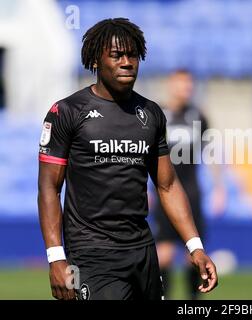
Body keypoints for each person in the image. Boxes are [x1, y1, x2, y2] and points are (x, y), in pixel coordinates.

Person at [37, 18, 218, 300]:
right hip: (92, 255)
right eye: (117, 55)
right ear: (96, 60)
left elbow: (167, 185)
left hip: (143, 253)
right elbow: (49, 188)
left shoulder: (151, 114)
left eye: (132, 55)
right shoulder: (68, 112)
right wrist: (55, 257)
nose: (127, 62)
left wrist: (195, 247)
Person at [152, 69, 226, 300]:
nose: (186, 89)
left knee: (193, 253)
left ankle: (194, 301)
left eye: (189, 85)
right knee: (162, 253)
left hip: (191, 192)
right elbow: (146, 154)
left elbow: (211, 152)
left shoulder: (198, 116)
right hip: (164, 191)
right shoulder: (158, 115)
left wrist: (219, 187)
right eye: (182, 84)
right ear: (171, 85)